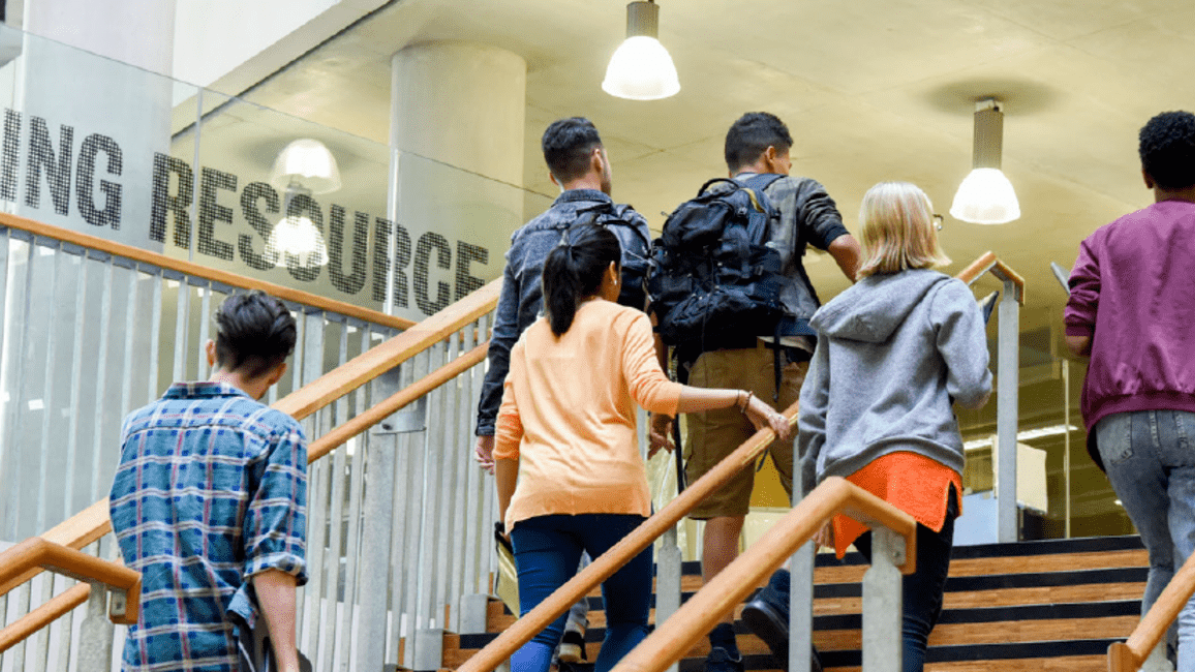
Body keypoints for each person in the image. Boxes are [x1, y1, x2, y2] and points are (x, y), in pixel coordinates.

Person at [495, 224, 791, 672]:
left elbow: (505, 442)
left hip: (539, 502)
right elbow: (653, 392)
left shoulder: (528, 341)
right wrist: (739, 398)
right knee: (627, 625)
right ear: (612, 273)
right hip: (613, 497)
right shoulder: (626, 321)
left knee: (537, 632)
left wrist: (507, 518)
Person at [650, 111, 860, 672]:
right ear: (772, 155)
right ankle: (780, 599)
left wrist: (665, 398)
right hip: (784, 360)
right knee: (817, 496)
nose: (789, 164)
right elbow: (843, 247)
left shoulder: (695, 214)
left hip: (707, 370)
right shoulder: (797, 191)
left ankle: (721, 646)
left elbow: (659, 307)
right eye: (787, 155)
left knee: (723, 516)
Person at [475, 116, 651, 662]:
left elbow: (503, 338)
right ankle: (576, 627)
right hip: (609, 433)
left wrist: (487, 424)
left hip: (540, 426)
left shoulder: (526, 239)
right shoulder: (626, 230)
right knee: (627, 620)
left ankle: (566, 626)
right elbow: (652, 314)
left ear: (552, 176)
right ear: (598, 158)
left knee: (537, 623)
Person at [798, 182, 991, 672]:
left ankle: (782, 589)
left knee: (892, 609)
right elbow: (972, 389)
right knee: (910, 619)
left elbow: (813, 414)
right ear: (923, 231)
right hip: (915, 470)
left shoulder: (839, 313)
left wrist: (811, 501)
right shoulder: (947, 295)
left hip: (851, 482)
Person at [109, 291, 307, 672]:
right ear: (278, 371)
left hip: (145, 656)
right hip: (225, 655)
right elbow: (273, 563)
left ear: (211, 350)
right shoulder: (275, 433)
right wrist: (288, 664)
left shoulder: (137, 427)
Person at [1065, 110, 1195, 672]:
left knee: (1166, 562)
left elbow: (1075, 339)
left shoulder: (1104, 240)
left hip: (1119, 424)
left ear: (1146, 174)